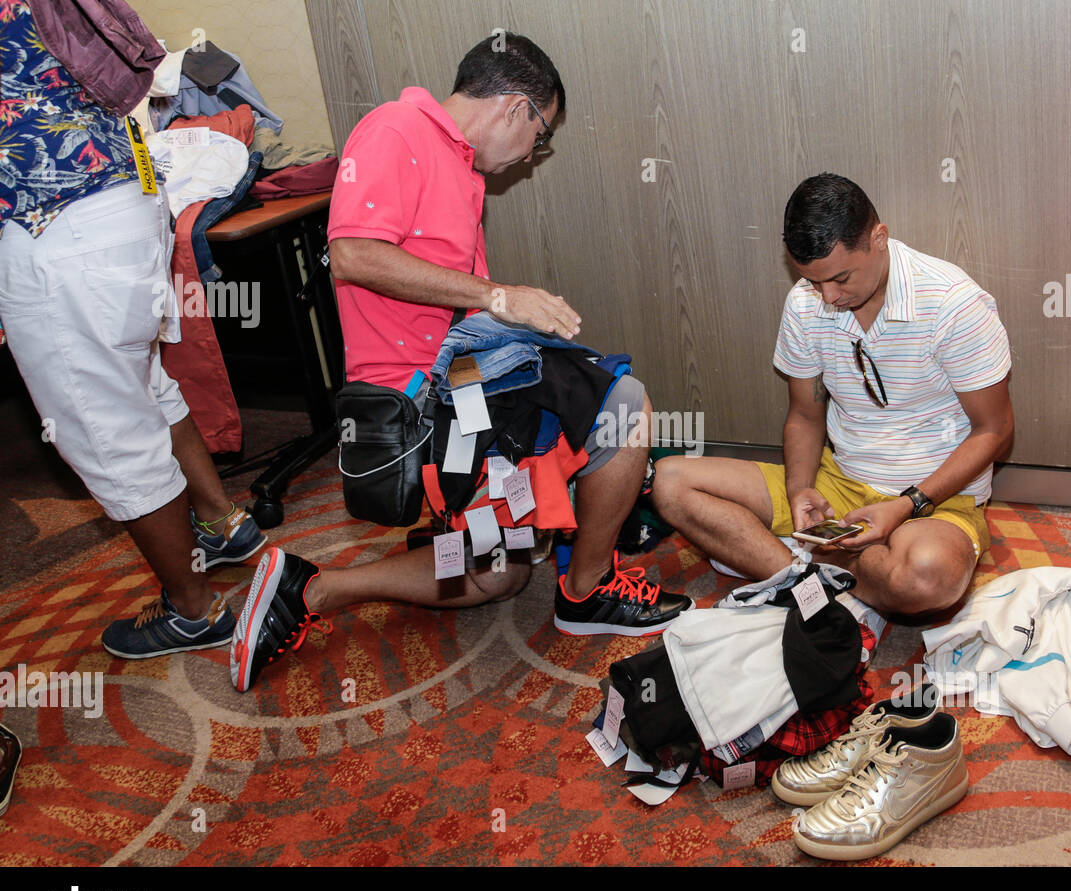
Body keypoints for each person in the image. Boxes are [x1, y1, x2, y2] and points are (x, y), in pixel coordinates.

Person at [231, 33, 689, 692]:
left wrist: (506, 317)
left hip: (466, 384)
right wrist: (499, 297)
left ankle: (313, 588)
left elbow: (454, 305)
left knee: (497, 574)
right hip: (419, 398)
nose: (533, 154)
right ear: (513, 108)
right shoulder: (395, 129)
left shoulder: (459, 165)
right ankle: (586, 591)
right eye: (541, 135)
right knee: (625, 408)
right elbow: (354, 254)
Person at [0, 0, 266, 659]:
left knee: (108, 430)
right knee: (145, 383)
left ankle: (195, 609)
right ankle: (222, 523)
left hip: (56, 227)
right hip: (129, 196)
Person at [653, 173, 1013, 617]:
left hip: (932, 498)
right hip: (837, 482)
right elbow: (806, 416)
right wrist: (801, 488)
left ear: (879, 238)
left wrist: (906, 505)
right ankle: (816, 573)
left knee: (927, 577)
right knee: (669, 483)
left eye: (841, 278)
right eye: (813, 281)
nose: (828, 297)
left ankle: (790, 562)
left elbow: (994, 430)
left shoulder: (953, 304)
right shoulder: (806, 301)